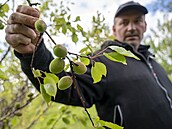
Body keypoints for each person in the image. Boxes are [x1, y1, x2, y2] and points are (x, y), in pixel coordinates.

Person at [5, 1, 172, 129]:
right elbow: (68, 87)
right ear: (114, 30)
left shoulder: (155, 63)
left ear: (145, 26)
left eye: (137, 21)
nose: (131, 28)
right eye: (124, 22)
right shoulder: (103, 59)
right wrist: (34, 53)